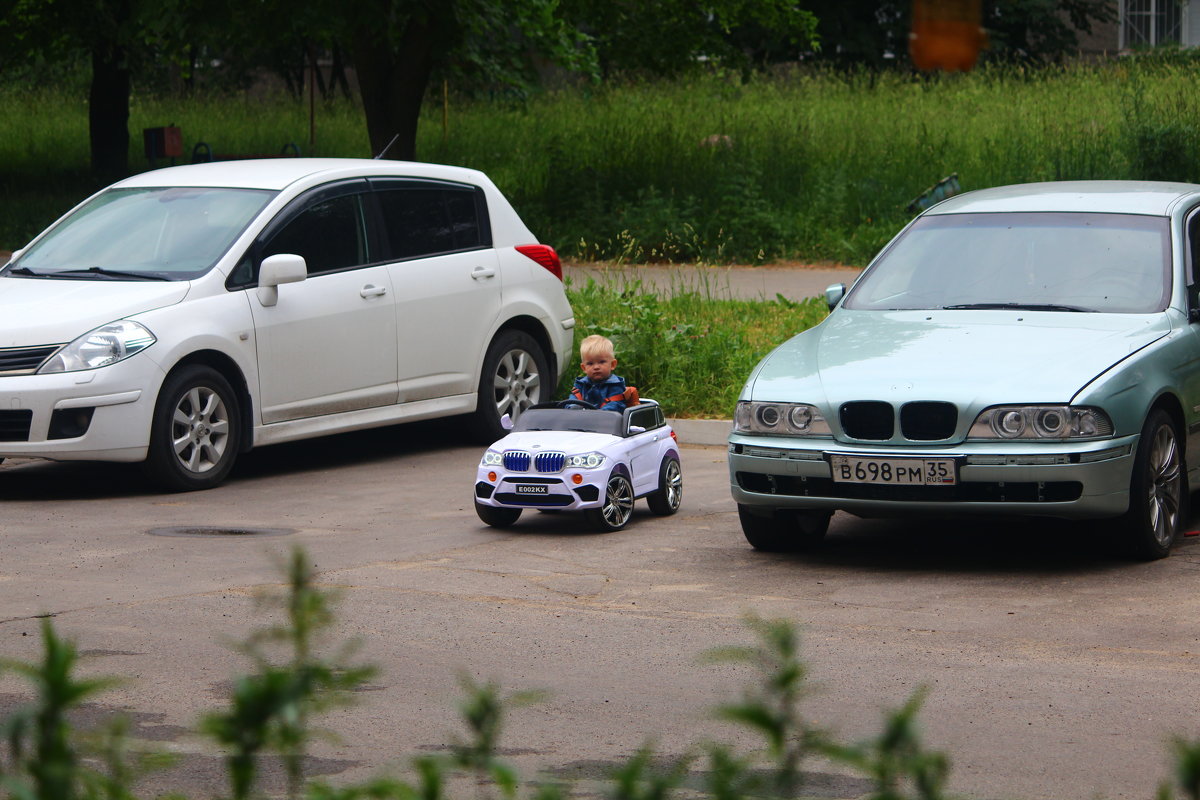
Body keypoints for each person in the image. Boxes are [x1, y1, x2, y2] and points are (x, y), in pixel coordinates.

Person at [569, 335, 628, 412]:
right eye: (590, 363)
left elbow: (617, 404)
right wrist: (573, 407)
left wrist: (600, 413)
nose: (596, 367)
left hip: (607, 421)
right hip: (582, 420)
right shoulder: (580, 385)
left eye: (602, 362)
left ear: (612, 364)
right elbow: (572, 399)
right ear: (584, 368)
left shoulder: (615, 385)